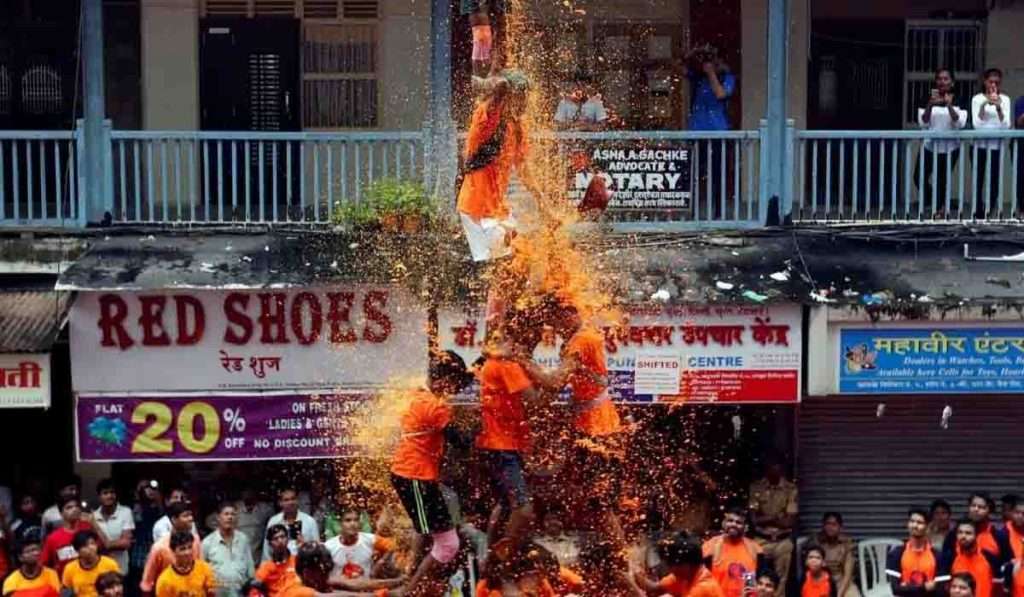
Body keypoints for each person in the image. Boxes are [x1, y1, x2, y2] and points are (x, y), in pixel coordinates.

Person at [517, 302, 625, 551]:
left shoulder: (580, 340)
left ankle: (620, 559)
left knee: (600, 504)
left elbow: (555, 382)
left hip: (597, 431)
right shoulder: (584, 336)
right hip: (596, 427)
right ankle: (610, 554)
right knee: (591, 500)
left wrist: (521, 359)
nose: (552, 324)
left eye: (556, 316)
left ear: (569, 314)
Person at [385, 350, 471, 596]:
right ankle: (409, 591)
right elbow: (462, 443)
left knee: (432, 535)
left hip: (415, 476)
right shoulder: (434, 406)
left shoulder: (418, 394)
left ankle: (409, 579)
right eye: (454, 385)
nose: (455, 391)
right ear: (444, 381)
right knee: (447, 545)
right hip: (414, 477)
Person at [456, 69, 538, 263]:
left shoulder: (516, 128)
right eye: (521, 96)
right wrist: (492, 84)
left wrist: (543, 205)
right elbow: (500, 88)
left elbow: (524, 170)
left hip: (497, 209)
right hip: (478, 209)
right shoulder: (487, 117)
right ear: (508, 97)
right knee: (500, 266)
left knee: (520, 254)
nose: (525, 102)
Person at [474, 338, 541, 560]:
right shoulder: (507, 365)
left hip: (496, 444)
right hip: (503, 446)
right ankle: (501, 559)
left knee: (504, 505)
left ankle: (489, 556)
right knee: (523, 509)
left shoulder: (493, 362)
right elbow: (535, 399)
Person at [917, 68, 967, 212]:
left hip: (950, 146)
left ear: (952, 82)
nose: (942, 82)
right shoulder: (927, 97)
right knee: (919, 176)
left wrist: (949, 105)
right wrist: (930, 104)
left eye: (946, 79)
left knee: (942, 178)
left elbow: (959, 123)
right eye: (939, 78)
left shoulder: (959, 98)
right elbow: (923, 122)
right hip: (930, 145)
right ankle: (936, 201)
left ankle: (940, 208)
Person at [749, 455, 798, 596]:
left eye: (776, 466)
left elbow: (789, 521)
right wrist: (777, 517)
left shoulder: (790, 489)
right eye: (770, 466)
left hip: (783, 540)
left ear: (782, 469)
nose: (773, 469)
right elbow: (754, 520)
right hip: (761, 539)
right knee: (754, 574)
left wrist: (765, 518)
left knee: (781, 579)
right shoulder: (756, 487)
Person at [322, 509, 399, 592]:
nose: (353, 524)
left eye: (356, 520)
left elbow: (393, 545)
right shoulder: (328, 546)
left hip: (365, 591)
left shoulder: (369, 539)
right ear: (341, 524)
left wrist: (380, 563)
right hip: (339, 592)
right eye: (348, 520)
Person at [970, 68, 1012, 219]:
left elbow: (1006, 125)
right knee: (978, 179)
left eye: (997, 82)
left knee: (994, 179)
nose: (993, 84)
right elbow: (977, 124)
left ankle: (991, 210)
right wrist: (984, 105)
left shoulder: (1005, 99)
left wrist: (998, 107)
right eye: (991, 81)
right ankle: (978, 211)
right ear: (985, 81)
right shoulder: (976, 99)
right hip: (979, 146)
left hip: (996, 145)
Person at [634, 531, 725, 597]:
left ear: (686, 564)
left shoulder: (703, 589)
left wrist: (630, 585)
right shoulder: (684, 576)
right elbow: (653, 588)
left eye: (671, 564)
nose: (669, 569)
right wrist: (633, 569)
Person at [140, 502, 202, 595]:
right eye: (186, 516)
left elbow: (200, 569)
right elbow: (147, 584)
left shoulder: (196, 540)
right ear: (174, 519)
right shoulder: (159, 547)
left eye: (191, 515)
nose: (191, 519)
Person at [701, 506, 764, 597]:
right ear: (723, 523)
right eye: (730, 521)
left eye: (738, 522)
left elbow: (760, 581)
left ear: (745, 527)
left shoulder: (755, 549)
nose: (733, 524)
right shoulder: (709, 547)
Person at [41, 497, 109, 577]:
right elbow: (44, 565)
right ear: (61, 513)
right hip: (66, 584)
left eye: (76, 506)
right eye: (69, 507)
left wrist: (94, 524)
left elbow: (104, 547)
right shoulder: (52, 538)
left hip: (92, 579)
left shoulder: (88, 528)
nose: (74, 509)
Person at [201, 503, 254, 597]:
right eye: (226, 514)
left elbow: (250, 567)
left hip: (241, 593)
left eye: (233, 514)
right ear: (218, 517)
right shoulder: (207, 542)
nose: (230, 517)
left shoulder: (243, 539)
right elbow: (201, 573)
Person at [888, 508, 944, 597]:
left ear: (927, 526)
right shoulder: (897, 553)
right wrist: (924, 587)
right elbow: (895, 589)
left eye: (919, 522)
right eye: (912, 521)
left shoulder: (937, 555)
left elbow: (940, 589)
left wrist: (907, 588)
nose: (915, 525)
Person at [941, 519, 1003, 597]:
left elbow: (999, 590)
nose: (963, 536)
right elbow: (943, 589)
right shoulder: (949, 558)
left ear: (976, 535)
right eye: (960, 532)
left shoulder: (990, 558)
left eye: (968, 533)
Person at [943, 494, 1011, 564]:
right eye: (973, 506)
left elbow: (1006, 564)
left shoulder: (999, 536)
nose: (976, 509)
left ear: (989, 510)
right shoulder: (954, 535)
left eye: (981, 507)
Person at [281, 543, 369, 597]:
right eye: (323, 574)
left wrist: (382, 584)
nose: (326, 578)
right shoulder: (296, 591)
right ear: (307, 573)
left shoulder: (312, 579)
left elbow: (348, 583)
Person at [683, 44, 736, 131]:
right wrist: (690, 54)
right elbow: (680, 69)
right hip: (697, 128)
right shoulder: (699, 77)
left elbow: (720, 94)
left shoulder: (727, 77)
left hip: (718, 129)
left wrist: (711, 72)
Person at [262, 488, 319, 562]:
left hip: (303, 566)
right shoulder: (274, 521)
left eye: (293, 499)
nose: (290, 502)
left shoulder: (309, 521)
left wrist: (304, 546)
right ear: (280, 503)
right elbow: (267, 550)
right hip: (279, 567)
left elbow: (317, 548)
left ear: (297, 501)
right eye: (286, 500)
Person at [154, 531, 215, 597]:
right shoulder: (165, 580)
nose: (187, 552)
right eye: (182, 549)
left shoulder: (204, 568)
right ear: (173, 551)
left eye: (190, 547)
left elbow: (211, 594)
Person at [95, 479, 135, 577]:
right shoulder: (94, 516)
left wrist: (106, 545)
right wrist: (115, 543)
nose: (109, 496)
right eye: (105, 493)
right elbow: (94, 546)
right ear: (99, 497)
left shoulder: (125, 512)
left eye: (112, 492)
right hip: (100, 571)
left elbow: (126, 543)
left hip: (120, 569)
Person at [62, 530, 121, 597]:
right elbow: (66, 593)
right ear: (77, 550)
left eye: (92, 543)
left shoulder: (110, 564)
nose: (90, 548)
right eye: (85, 546)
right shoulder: (70, 568)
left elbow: (118, 590)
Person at [813, 512, 858, 597]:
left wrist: (839, 594)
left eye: (834, 524)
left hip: (841, 581)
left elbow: (847, 574)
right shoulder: (816, 542)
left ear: (840, 527)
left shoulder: (846, 545)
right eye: (827, 524)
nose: (830, 527)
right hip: (820, 580)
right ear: (823, 526)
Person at [254, 526, 298, 597]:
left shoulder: (297, 561)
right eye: (275, 538)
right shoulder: (266, 567)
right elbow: (253, 589)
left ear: (288, 539)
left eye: (282, 537)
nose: (280, 541)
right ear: (270, 544)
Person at [235, 489, 274, 563]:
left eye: (250, 491)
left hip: (258, 557)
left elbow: (274, 521)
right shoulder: (235, 508)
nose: (248, 494)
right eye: (245, 492)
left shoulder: (265, 508)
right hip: (239, 557)